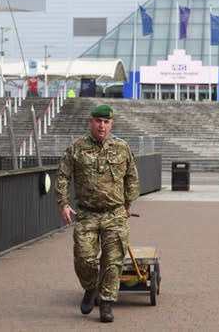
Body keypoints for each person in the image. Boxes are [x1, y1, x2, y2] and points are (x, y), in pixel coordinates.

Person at [56, 104, 139, 323]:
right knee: (84, 259)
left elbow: (131, 176)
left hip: (115, 214)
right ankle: (90, 288)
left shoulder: (122, 147)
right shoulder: (77, 147)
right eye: (98, 121)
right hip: (86, 214)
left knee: (113, 262)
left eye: (106, 122)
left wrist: (129, 202)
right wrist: (63, 203)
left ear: (111, 124)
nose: (102, 126)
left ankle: (106, 303)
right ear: (90, 122)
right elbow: (63, 176)